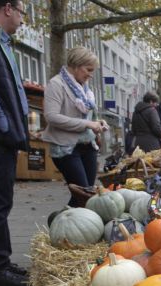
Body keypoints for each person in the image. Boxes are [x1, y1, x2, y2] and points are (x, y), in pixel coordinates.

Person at [0, 0, 29, 286]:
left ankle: (0, 261)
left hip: (1, 136)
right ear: (7, 8)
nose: (23, 19)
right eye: (22, 12)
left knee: (0, 200)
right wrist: (4, 125)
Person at [41, 46, 105, 208]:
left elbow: (89, 116)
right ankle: (60, 221)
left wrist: (98, 123)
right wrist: (87, 124)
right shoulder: (56, 84)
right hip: (66, 148)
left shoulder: (84, 88)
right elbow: (51, 117)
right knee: (83, 195)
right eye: (88, 69)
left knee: (86, 195)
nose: (90, 75)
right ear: (76, 65)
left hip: (88, 146)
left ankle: (63, 220)